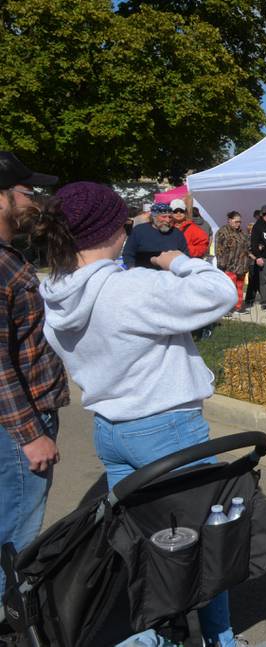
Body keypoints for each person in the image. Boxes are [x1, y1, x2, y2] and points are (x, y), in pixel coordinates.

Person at [34, 182, 266, 647]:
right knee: (208, 538)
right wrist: (175, 260)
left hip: (111, 428)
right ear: (112, 230)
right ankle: (217, 639)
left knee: (149, 540)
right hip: (167, 426)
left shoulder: (55, 291)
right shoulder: (132, 287)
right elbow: (221, 291)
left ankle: (155, 629)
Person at [0, 152, 70, 597]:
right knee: (15, 539)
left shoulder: (11, 258)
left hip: (18, 422)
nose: (35, 201)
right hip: (16, 427)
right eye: (27, 192)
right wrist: (30, 434)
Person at [122, 202, 188, 268]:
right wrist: (132, 269)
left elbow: (185, 255)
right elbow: (128, 253)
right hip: (143, 274)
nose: (168, 220)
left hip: (170, 275)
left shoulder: (177, 233)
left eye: (170, 217)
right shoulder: (139, 230)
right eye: (164, 217)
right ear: (154, 217)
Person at [215, 211, 250, 314]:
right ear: (229, 220)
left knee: (239, 288)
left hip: (241, 266)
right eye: (236, 221)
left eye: (239, 222)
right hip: (229, 266)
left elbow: (247, 247)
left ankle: (238, 307)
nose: (238, 224)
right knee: (230, 289)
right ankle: (227, 309)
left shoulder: (242, 233)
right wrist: (222, 265)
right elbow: (219, 250)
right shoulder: (222, 232)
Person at [243, 209, 262, 309]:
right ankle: (250, 300)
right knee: (253, 280)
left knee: (258, 280)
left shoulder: (257, 238)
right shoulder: (247, 238)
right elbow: (247, 251)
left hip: (258, 261)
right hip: (251, 262)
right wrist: (255, 257)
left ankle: (260, 298)